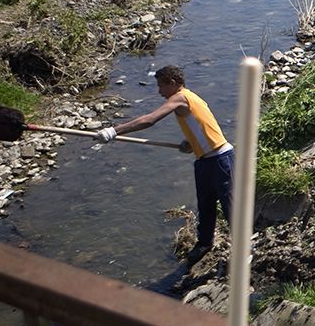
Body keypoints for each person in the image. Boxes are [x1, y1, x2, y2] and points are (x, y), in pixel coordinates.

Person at [95, 65, 233, 265]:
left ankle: (244, 249)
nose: (159, 92)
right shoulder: (189, 99)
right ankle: (204, 244)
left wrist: (114, 131)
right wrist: (191, 143)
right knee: (205, 205)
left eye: (161, 86)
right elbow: (202, 125)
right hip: (204, 160)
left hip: (220, 157)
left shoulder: (181, 97)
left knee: (230, 205)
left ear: (173, 83)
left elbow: (150, 120)